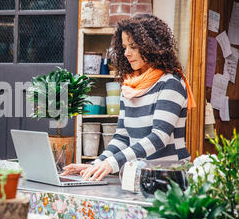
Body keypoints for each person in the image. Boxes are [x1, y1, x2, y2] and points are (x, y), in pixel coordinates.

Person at [62, 14, 196, 181]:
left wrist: (112, 163)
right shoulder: (130, 86)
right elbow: (122, 137)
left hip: (170, 178)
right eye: (124, 47)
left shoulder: (171, 83)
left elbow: (159, 137)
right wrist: (96, 165)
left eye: (133, 47)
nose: (126, 53)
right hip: (141, 176)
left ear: (152, 46)